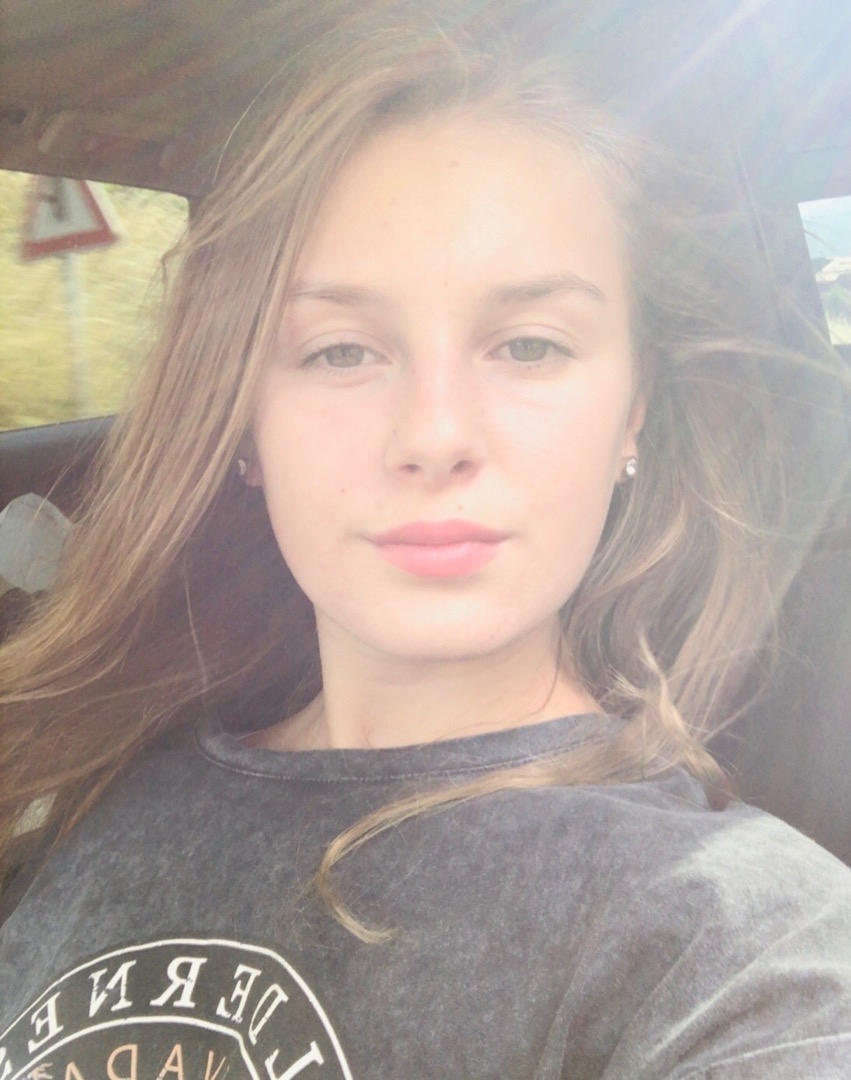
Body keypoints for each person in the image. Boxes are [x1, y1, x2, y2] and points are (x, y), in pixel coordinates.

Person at [1, 4, 850, 1076]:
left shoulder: (740, 948)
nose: (434, 435)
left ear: (632, 412)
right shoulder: (81, 788)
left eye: (529, 346)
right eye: (340, 351)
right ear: (244, 424)